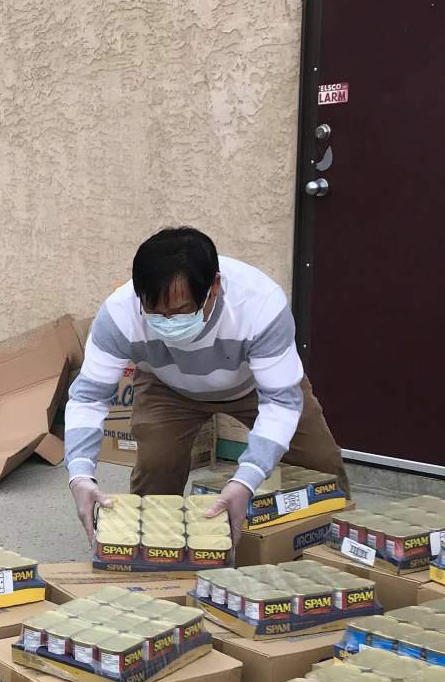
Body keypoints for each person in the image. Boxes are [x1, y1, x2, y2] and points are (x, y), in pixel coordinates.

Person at [64, 227, 347, 544]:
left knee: (322, 465)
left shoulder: (260, 305)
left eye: (182, 311)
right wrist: (79, 473)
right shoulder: (118, 314)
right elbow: (88, 398)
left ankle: (339, 546)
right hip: (167, 389)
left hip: (253, 386)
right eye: (155, 313)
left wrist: (246, 480)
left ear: (214, 286)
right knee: (157, 469)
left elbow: (280, 403)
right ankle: (154, 554)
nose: (168, 323)